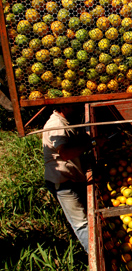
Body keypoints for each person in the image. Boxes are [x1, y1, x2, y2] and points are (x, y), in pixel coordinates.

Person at [42, 104, 104, 253]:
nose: (76, 108)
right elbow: (65, 154)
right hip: (63, 183)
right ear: (63, 107)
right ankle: (95, 255)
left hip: (73, 178)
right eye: (72, 105)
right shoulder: (56, 124)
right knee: (81, 223)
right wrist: (93, 143)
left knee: (87, 216)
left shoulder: (66, 120)